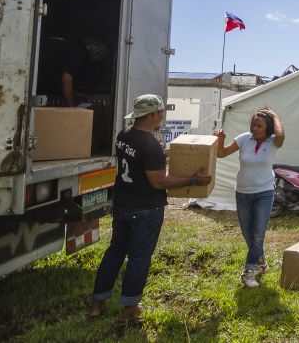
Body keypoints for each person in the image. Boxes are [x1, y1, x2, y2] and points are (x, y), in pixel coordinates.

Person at [90, 94, 211, 325]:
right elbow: (159, 182)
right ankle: (129, 309)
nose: (163, 116)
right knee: (139, 258)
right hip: (145, 209)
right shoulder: (150, 144)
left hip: (123, 205)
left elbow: (139, 160)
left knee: (115, 252)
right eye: (161, 112)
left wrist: (169, 153)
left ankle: (97, 303)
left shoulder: (124, 135)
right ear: (154, 114)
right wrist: (193, 181)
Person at [216, 107, 285, 288]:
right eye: (253, 124)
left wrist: (275, 115)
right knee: (248, 233)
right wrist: (220, 140)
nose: (254, 128)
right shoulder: (244, 139)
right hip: (243, 192)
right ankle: (261, 261)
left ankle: (249, 271)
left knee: (258, 234)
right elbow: (220, 153)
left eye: (259, 126)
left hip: (264, 192)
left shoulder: (273, 141)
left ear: (267, 128)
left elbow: (281, 135)